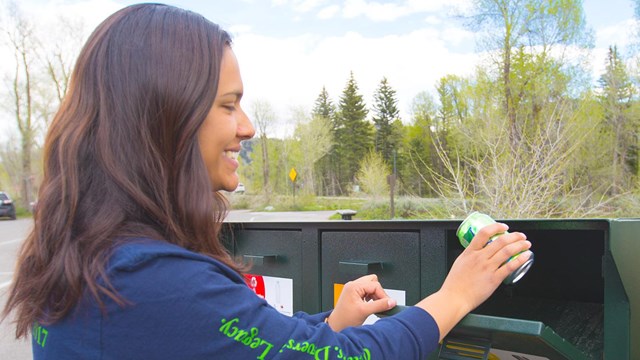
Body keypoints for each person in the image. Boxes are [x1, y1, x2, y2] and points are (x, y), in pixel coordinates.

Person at [1, 3, 532, 359]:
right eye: (228, 105)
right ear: (165, 119)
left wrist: (335, 318)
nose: (248, 127)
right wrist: (454, 296)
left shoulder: (92, 261)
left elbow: (236, 338)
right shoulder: (151, 279)